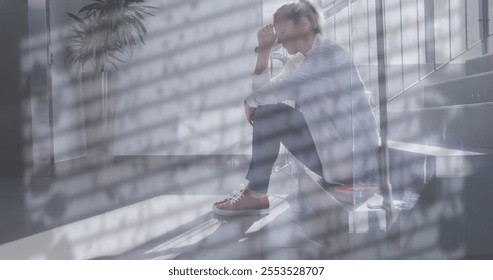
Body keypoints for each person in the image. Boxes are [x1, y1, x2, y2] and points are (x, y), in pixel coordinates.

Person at [213, 0, 380, 216]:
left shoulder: (328, 55)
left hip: (355, 162)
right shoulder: (301, 62)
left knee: (269, 112)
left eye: (280, 30)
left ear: (303, 24)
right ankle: (256, 193)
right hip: (333, 155)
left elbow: (270, 96)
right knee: (268, 112)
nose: (278, 38)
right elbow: (266, 98)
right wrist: (264, 51)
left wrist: (248, 102)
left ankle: (255, 193)